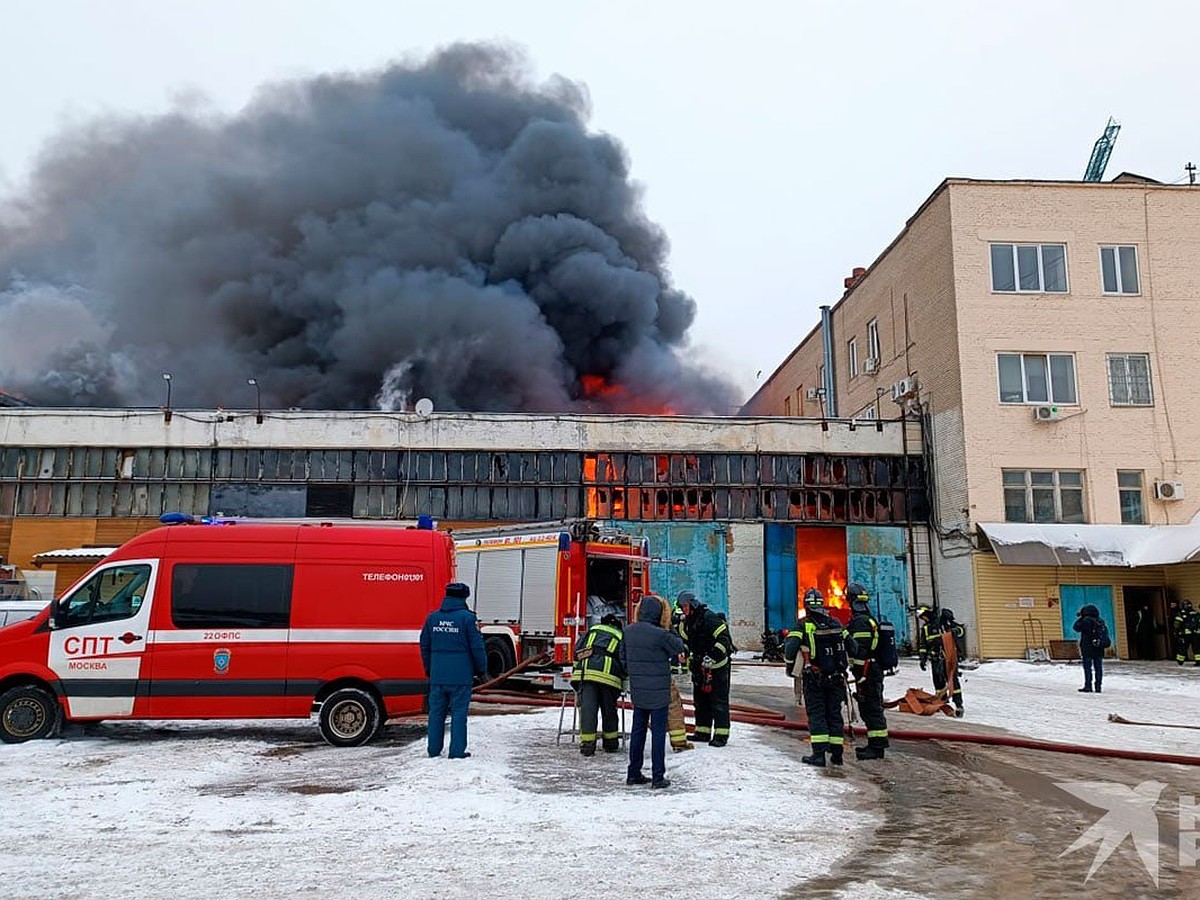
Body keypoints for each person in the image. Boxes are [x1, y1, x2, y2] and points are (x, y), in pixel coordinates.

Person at [619, 594, 686, 789]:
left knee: (638, 731)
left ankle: (633, 773)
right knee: (658, 733)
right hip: (659, 692)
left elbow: (622, 659)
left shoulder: (628, 631)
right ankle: (658, 776)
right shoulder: (661, 634)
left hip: (638, 690)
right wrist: (669, 626)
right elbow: (678, 646)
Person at [419, 582, 487, 759]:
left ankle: (433, 750)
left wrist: (429, 668)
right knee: (458, 713)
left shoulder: (432, 618)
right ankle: (456, 751)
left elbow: (424, 645)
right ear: (464, 597)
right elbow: (477, 647)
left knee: (436, 714)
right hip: (460, 676)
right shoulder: (467, 619)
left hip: (438, 675)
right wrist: (482, 669)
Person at [784, 588, 849, 767]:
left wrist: (790, 665)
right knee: (834, 715)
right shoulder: (835, 623)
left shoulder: (803, 624)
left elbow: (790, 648)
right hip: (836, 677)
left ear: (806, 605)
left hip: (814, 677)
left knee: (817, 714)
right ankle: (837, 755)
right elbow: (853, 646)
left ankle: (818, 755)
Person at [677, 590, 734, 747]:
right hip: (699, 667)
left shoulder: (709, 618)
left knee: (718, 702)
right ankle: (702, 732)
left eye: (685, 606)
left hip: (717, 667)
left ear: (692, 604)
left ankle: (721, 735)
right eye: (682, 607)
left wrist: (713, 656)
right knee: (701, 701)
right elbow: (687, 642)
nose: (684, 610)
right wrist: (685, 654)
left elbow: (724, 639)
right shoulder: (687, 622)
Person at [571, 613, 625, 756]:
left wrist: (577, 671)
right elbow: (623, 659)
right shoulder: (620, 635)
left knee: (588, 709)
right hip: (609, 678)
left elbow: (577, 652)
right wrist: (624, 677)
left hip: (587, 675)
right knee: (609, 710)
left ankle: (587, 746)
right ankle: (611, 743)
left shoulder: (592, 630)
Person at [845, 583, 888, 761]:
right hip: (869, 671)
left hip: (867, 673)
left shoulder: (861, 622)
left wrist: (861, 676)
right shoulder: (867, 619)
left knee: (872, 709)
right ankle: (874, 744)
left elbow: (860, 651)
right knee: (870, 708)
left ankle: (877, 748)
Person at [917, 606, 963, 717]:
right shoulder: (926, 628)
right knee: (938, 682)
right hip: (935, 658)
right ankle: (942, 703)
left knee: (952, 680)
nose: (923, 619)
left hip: (948, 657)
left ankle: (959, 704)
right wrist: (922, 658)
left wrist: (954, 630)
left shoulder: (943, 622)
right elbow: (923, 644)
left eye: (923, 617)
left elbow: (960, 630)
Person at [1072, 603, 1108, 693]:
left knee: (1088, 667)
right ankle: (1098, 686)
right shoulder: (1100, 621)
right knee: (1098, 667)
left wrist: (1081, 618)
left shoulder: (1085, 621)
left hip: (1087, 647)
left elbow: (1076, 627)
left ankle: (1088, 685)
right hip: (1098, 647)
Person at [1173, 600, 1199, 666]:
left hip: (1185, 634)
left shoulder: (1181, 614)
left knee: (1183, 647)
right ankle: (1198, 661)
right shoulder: (1196, 613)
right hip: (1196, 634)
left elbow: (1177, 624)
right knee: (1197, 648)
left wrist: (1176, 632)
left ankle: (1180, 661)